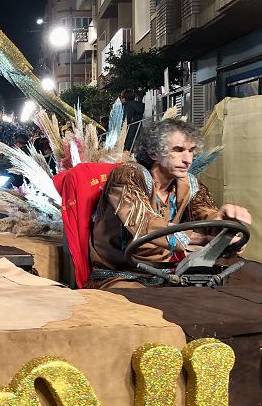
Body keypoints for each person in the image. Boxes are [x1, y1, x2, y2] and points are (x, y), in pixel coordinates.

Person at [88, 117, 251, 289]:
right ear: (154, 153)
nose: (188, 159)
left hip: (165, 275)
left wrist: (223, 224)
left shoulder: (188, 184)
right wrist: (203, 239)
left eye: (191, 151)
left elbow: (204, 213)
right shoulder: (127, 176)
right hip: (118, 275)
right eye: (178, 150)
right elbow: (145, 224)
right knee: (141, 307)